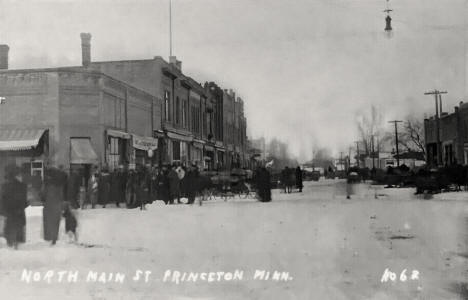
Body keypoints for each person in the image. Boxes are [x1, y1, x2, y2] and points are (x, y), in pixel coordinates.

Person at [1, 164, 28, 249]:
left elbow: (2, 198)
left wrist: (2, 210)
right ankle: (17, 241)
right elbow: (24, 200)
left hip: (9, 210)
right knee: (19, 225)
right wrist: (23, 206)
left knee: (9, 225)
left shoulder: (4, 186)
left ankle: (10, 241)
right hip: (19, 210)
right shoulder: (23, 185)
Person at [43, 167, 67, 245]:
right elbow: (62, 196)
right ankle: (54, 238)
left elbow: (43, 195)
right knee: (55, 222)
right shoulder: (60, 185)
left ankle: (50, 237)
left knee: (49, 221)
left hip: (49, 205)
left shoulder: (48, 185)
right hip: (57, 205)